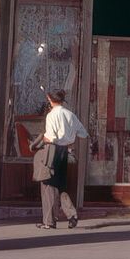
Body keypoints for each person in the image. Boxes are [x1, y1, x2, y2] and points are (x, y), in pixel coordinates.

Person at [36, 89, 88, 229]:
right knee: (60, 185)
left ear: (49, 98)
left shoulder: (51, 115)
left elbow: (51, 137)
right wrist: (69, 137)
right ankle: (71, 215)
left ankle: (49, 221)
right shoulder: (70, 114)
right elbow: (83, 133)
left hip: (51, 150)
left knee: (47, 185)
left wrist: (41, 139)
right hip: (64, 151)